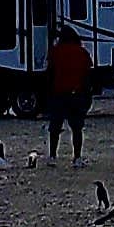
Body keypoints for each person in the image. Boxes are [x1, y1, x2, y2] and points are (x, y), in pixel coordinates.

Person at [43, 22, 101, 162]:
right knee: (76, 129)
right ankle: (77, 157)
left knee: (55, 128)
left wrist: (48, 95)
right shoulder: (82, 53)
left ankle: (52, 156)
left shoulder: (55, 52)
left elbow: (49, 75)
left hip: (58, 95)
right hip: (77, 95)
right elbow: (88, 76)